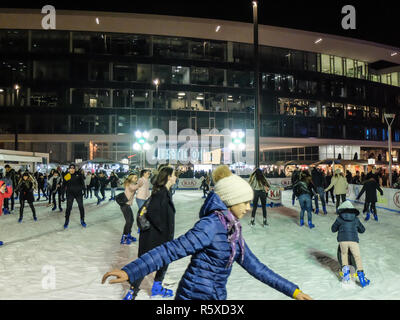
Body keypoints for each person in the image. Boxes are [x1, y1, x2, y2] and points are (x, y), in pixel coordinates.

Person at [102, 165, 312, 301]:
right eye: (245, 202)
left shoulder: (233, 230)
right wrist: (131, 271)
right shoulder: (210, 226)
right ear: (231, 200)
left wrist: (293, 291)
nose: (248, 207)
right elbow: (170, 250)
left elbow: (256, 267)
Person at [118, 166, 177, 300]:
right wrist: (164, 233)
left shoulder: (164, 192)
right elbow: (153, 214)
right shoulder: (161, 194)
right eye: (174, 174)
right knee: (146, 264)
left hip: (158, 236)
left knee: (161, 262)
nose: (176, 177)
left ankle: (155, 288)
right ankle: (132, 292)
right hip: (155, 237)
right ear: (168, 177)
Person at [331, 201, 370, 287]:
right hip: (353, 241)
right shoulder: (355, 219)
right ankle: (362, 280)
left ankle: (346, 278)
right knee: (357, 257)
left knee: (344, 255)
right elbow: (362, 230)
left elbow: (333, 229)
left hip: (343, 241)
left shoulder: (339, 218)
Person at [116, 173, 143, 245]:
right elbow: (133, 188)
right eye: (134, 178)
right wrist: (140, 183)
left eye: (137, 177)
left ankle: (128, 235)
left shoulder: (132, 184)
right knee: (128, 221)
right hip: (125, 205)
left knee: (131, 220)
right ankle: (124, 238)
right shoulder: (129, 184)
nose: (136, 179)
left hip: (127, 205)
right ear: (131, 178)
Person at [61, 164, 86, 229]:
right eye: (70, 168)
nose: (71, 170)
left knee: (81, 207)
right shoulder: (67, 176)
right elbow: (63, 186)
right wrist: (62, 195)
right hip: (70, 194)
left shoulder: (79, 175)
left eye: (73, 168)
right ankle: (66, 221)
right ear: (69, 169)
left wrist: (84, 191)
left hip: (78, 194)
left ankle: (82, 220)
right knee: (68, 208)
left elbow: (83, 183)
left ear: (75, 169)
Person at [0, 180, 13, 246]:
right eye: (4, 186)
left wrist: (9, 188)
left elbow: (8, 195)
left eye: (5, 186)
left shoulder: (2, 193)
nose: (4, 188)